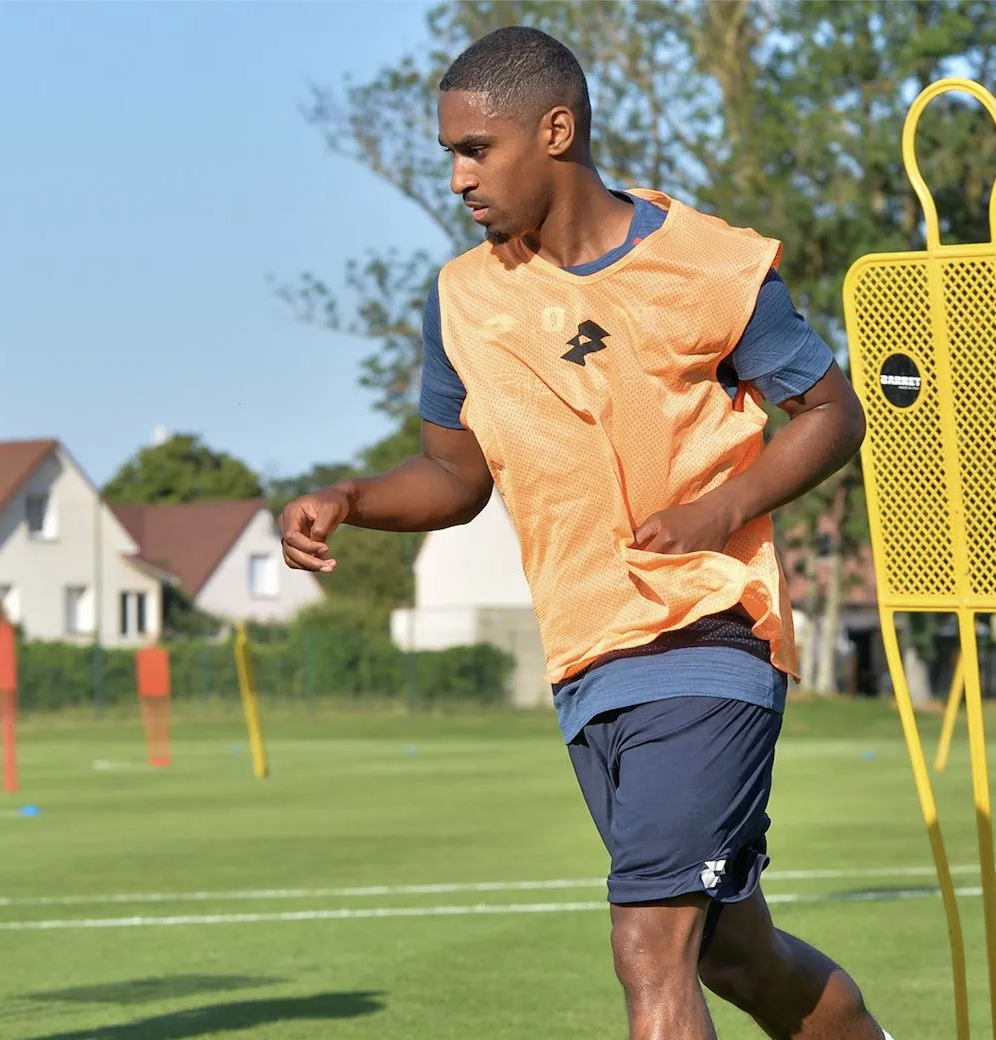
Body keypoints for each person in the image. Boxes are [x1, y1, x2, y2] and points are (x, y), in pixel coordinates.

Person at [279, 25, 894, 1040]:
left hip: (704, 635)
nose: (459, 177)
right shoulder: (461, 300)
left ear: (554, 130)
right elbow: (451, 473)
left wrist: (719, 508)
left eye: (476, 149)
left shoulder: (709, 265)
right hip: (588, 661)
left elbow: (831, 411)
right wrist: (348, 494)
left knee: (647, 945)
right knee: (737, 952)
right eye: (450, 154)